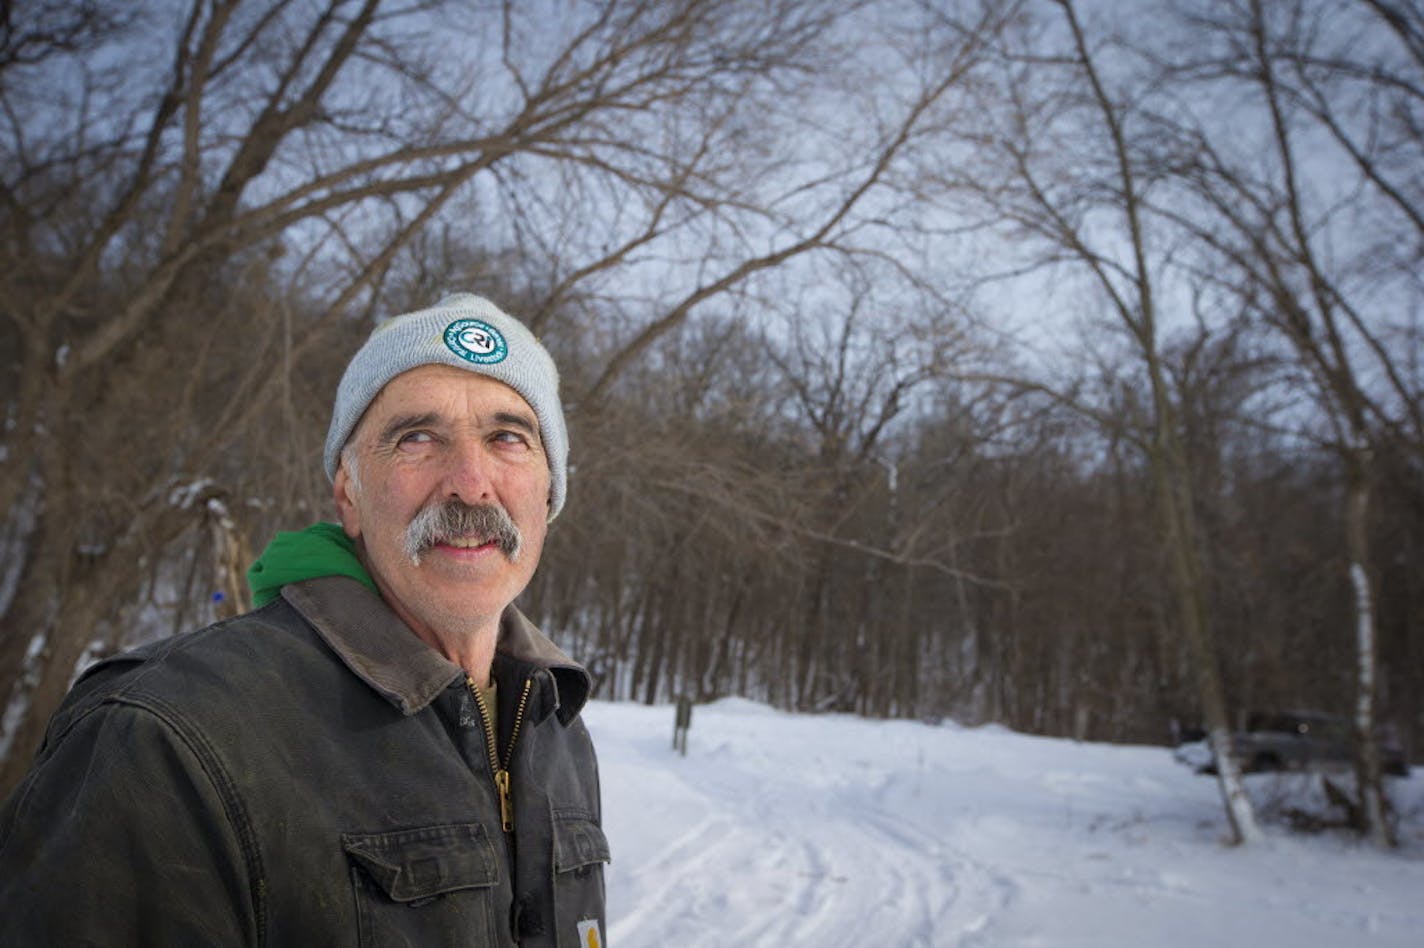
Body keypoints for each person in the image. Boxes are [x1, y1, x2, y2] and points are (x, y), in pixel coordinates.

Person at [0, 294, 608, 947]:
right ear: (348, 493)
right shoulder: (163, 740)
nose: (469, 482)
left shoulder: (556, 731)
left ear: (549, 492)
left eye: (507, 437)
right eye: (417, 437)